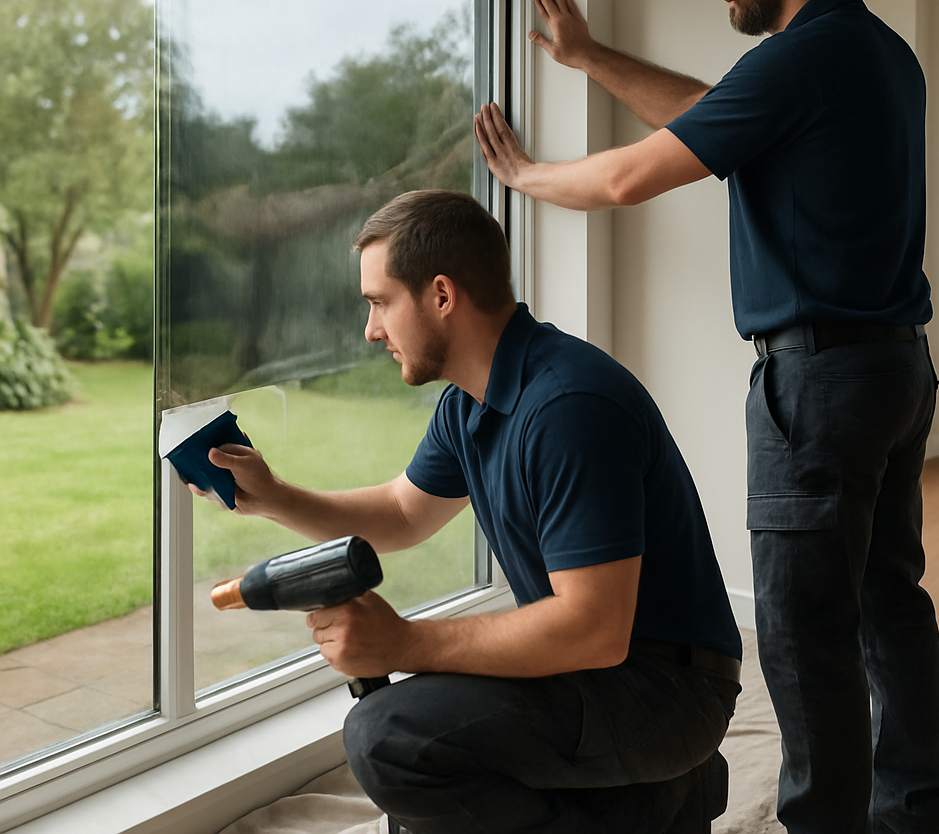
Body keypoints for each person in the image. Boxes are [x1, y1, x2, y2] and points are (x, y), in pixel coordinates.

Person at [474, 0, 939, 834]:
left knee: (800, 629)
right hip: (894, 365)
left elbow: (627, 178)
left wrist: (525, 176)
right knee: (886, 601)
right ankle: (916, 811)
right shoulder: (875, 51)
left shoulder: (801, 58)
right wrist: (591, 58)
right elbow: (711, 108)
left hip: (816, 382)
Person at [203, 188, 742, 834]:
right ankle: (656, 799)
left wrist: (404, 642)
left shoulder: (569, 407)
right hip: (601, 673)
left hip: (667, 692)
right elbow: (403, 513)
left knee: (388, 736)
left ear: (440, 295)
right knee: (411, 750)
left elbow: (594, 628)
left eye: (379, 303)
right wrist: (276, 497)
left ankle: (653, 798)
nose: (371, 329)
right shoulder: (470, 403)